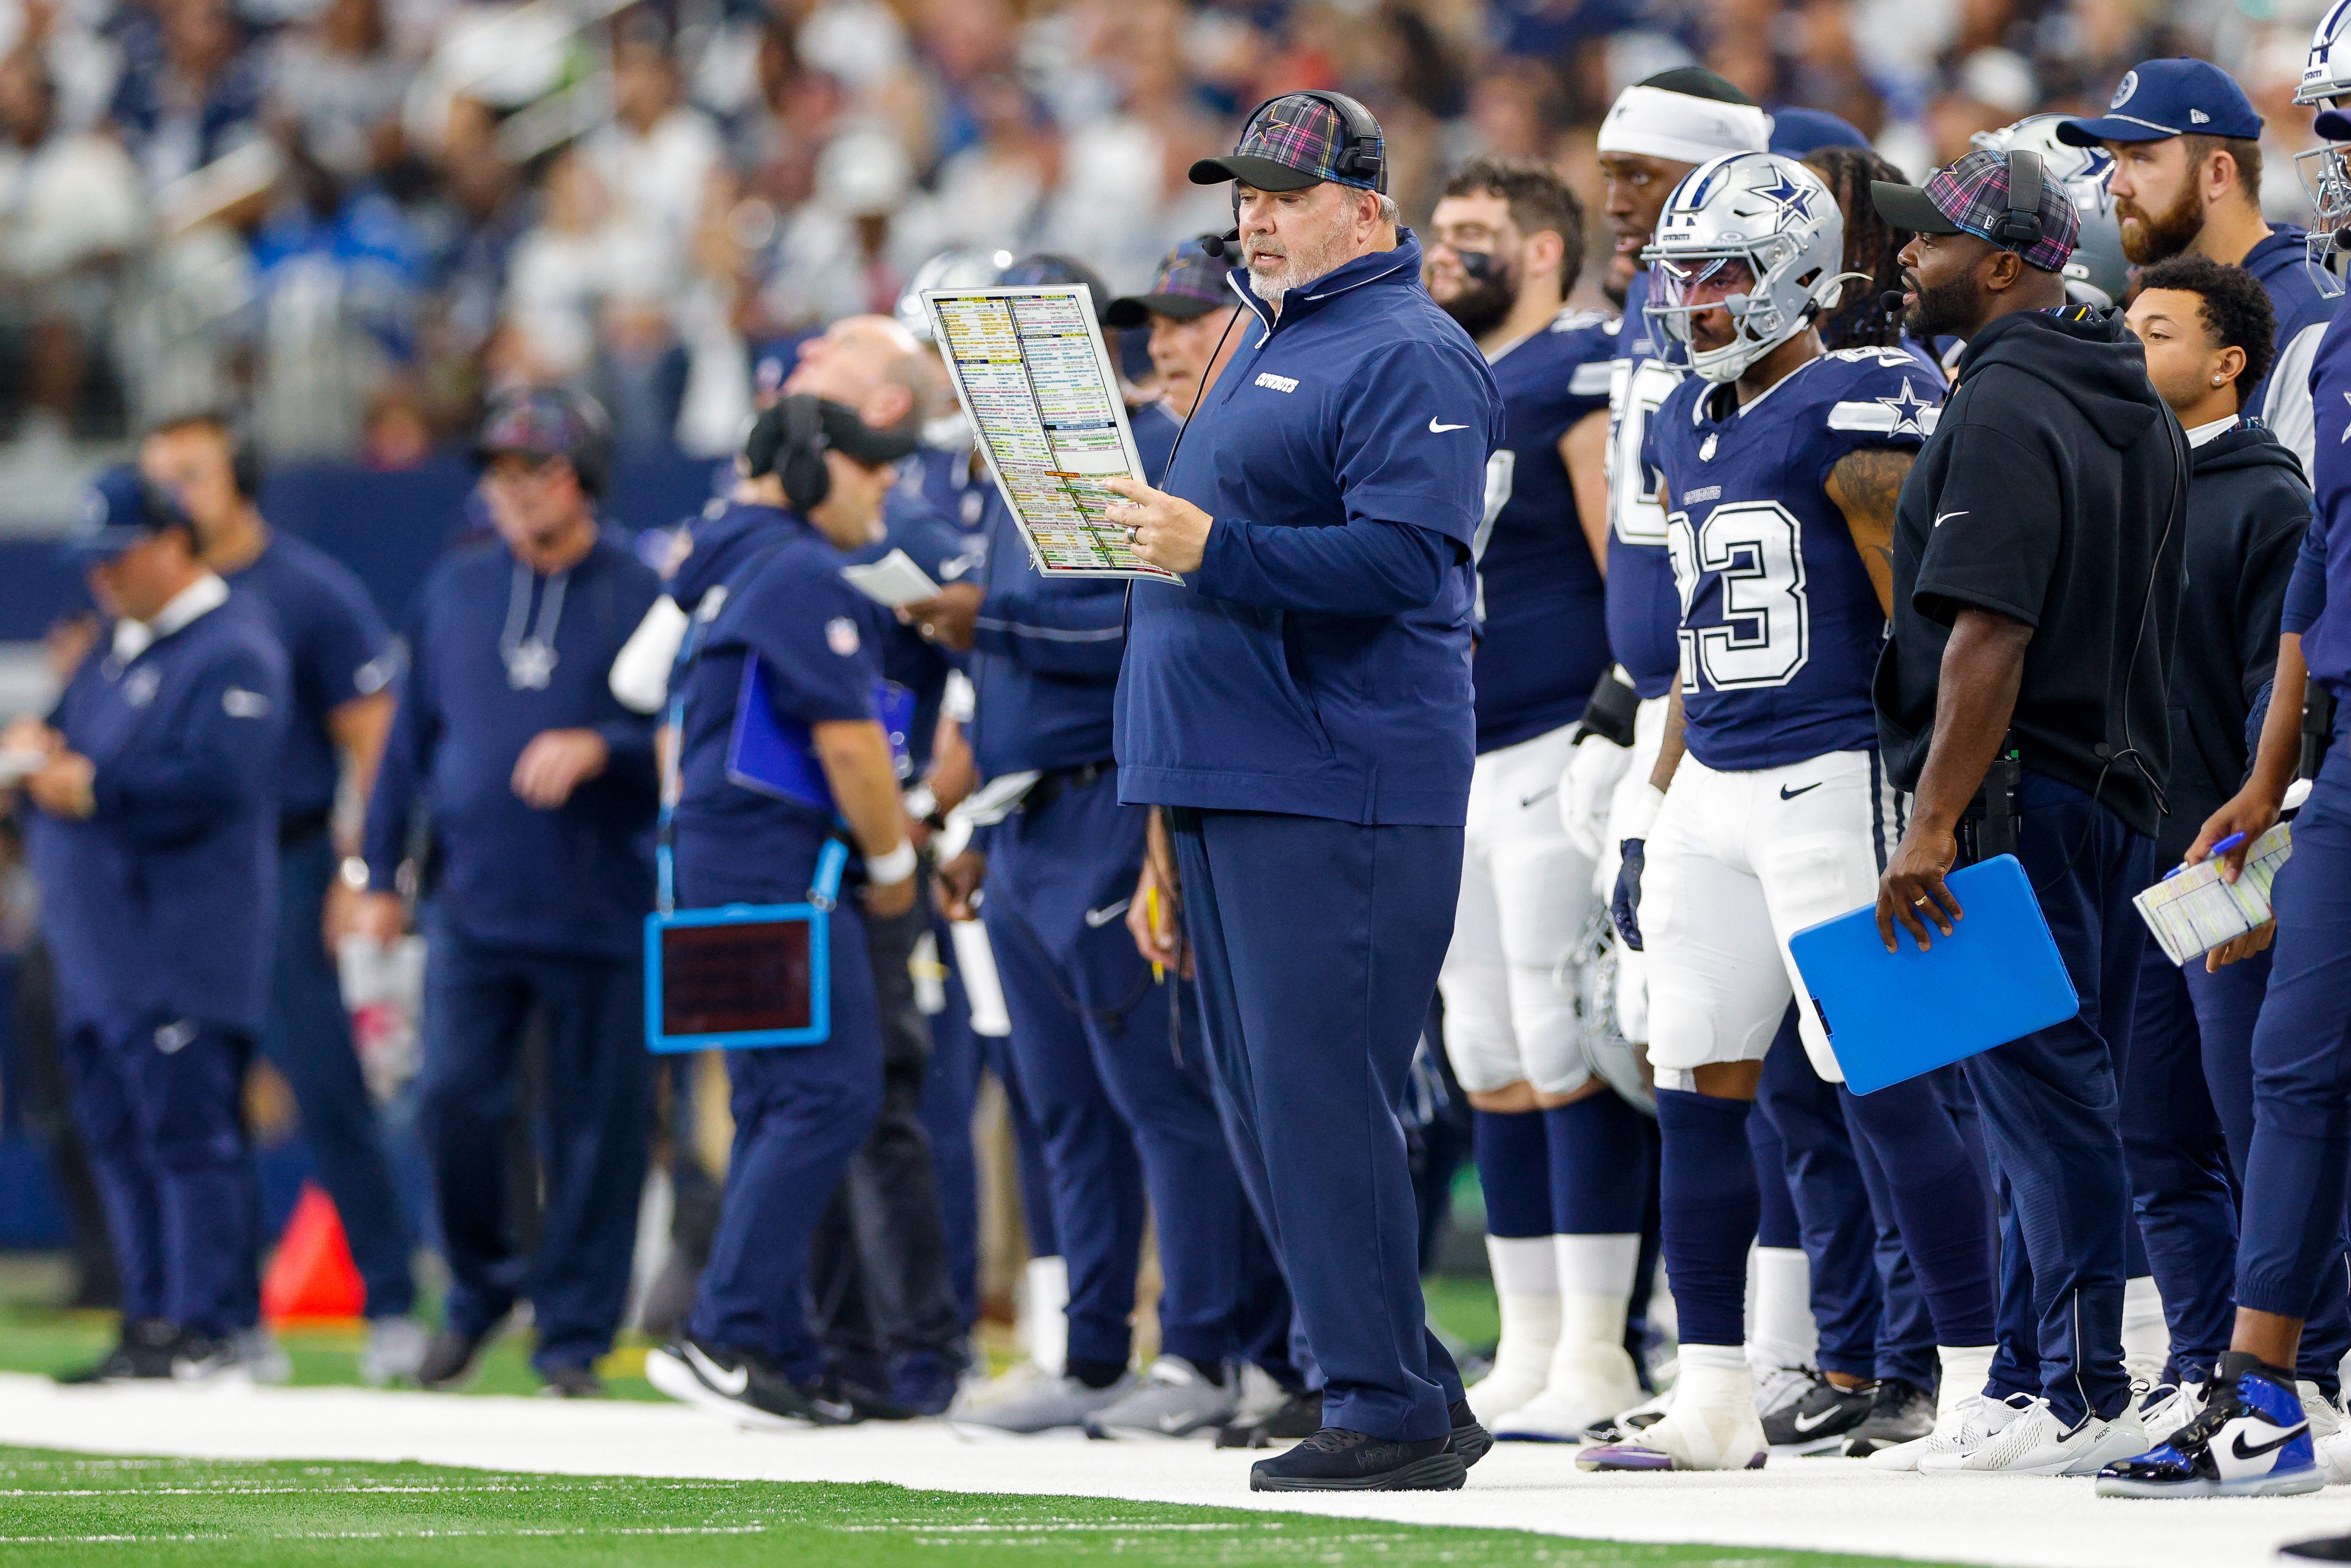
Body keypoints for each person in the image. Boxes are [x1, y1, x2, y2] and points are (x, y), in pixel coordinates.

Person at [1100, 90, 1498, 1492]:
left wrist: (1211, 547)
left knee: (1316, 1097)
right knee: (1263, 1099)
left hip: (1337, 778)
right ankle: (1408, 1380)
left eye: (1284, 191)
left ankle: (1380, 1407)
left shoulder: (1408, 348)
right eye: (1242, 196)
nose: (1255, 216)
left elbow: (1409, 563)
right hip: (1229, 769)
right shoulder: (1274, 346)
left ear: (1370, 209)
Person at [1576, 151, 1994, 1474]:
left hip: (1835, 773)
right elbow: (1706, 638)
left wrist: (1935, 808)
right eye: (1679, 276)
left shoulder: (1864, 397)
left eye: (1719, 276)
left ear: (1799, 276)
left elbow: (1919, 618)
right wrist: (1655, 805)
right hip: (1717, 777)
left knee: (1892, 1072)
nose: (1692, 301)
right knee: (1697, 1077)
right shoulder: (1679, 419)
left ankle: (1983, 1383)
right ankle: (1712, 1396)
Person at [909, 246, 1295, 1442]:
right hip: (1029, 814)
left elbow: (1141, 622)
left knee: (1158, 1095)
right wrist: (980, 803)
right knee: (1062, 1102)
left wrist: (998, 621)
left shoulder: (1133, 450)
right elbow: (1004, 671)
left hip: (1105, 802)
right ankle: (1087, 1352)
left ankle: (1201, 1346)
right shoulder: (1023, 467)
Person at [1870, 148, 2185, 1474]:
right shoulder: (2130, 396)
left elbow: (1990, 632)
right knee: (2038, 1099)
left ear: (1999, 261)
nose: (1902, 258)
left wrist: (1932, 823)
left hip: (2013, 793)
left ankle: (2082, 1387)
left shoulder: (2000, 402)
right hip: (2111, 788)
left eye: (1926, 243)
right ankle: (2018, 1377)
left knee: (2047, 1101)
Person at [353, 389, 661, 1398]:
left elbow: (685, 738)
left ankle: (572, 1333)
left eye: (540, 470)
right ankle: (482, 1290)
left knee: (599, 1128)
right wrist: (377, 868)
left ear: (584, 479)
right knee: (451, 1103)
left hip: (602, 902)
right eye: (506, 471)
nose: (520, 491)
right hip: (473, 902)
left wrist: (603, 747)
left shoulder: (642, 591)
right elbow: (407, 745)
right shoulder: (454, 588)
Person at [1418, 155, 1649, 1442]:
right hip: (1462, 744)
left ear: (1546, 249)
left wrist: (1615, 720)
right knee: (1488, 1049)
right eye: (1440, 229)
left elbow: (1622, 560)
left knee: (1565, 1042)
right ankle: (1538, 1338)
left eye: (1475, 231)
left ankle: (1603, 1345)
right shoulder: (1464, 373)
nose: (1446, 250)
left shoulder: (1579, 366)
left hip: (1554, 737)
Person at [641, 394, 924, 1428]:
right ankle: (729, 1331)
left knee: (773, 1097)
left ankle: (783, 1350)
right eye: (868, 465)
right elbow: (848, 743)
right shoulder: (801, 570)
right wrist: (892, 859)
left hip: (711, 864)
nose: (886, 483)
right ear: (811, 467)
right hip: (773, 868)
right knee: (828, 1095)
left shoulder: (722, 565)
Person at [2085, 255, 2318, 1496]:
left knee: (2256, 1119)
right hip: (2130, 859)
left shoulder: (2267, 494)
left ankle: (2306, 1362)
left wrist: (2265, 863)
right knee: (2155, 1133)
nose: (2133, 344)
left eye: (2160, 329)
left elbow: (2267, 697)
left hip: (2227, 863)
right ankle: (2197, 1363)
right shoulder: (2121, 482)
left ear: (2230, 359)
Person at [137, 410, 424, 1386]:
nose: (168, 494)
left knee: (326, 1086)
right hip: (187, 865)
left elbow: (375, 730)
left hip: (290, 859)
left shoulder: (306, 590)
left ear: (242, 479)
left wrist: (362, 865)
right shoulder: (157, 593)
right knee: (202, 1090)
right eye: (158, 475)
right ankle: (228, 1316)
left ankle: (390, 1302)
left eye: (189, 473)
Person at [14, 468, 288, 1381]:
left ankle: (210, 1324)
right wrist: (39, 758)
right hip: (98, 947)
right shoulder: (114, 649)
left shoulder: (233, 648)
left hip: (181, 941)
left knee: (187, 1137)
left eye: (118, 556)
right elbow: (60, 745)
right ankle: (152, 1320)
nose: (102, 577)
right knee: (120, 1139)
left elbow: (218, 778)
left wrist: (95, 785)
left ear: (174, 544)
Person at [776, 312, 972, 1418]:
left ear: (885, 408)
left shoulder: (920, 506)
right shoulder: (774, 521)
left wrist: (918, 812)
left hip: (874, 844)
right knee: (797, 1097)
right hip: (792, 843)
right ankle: (832, 1348)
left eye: (824, 365)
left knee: (886, 1102)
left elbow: (993, 628)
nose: (798, 373)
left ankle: (916, 1352)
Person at [1575, 68, 1770, 1151]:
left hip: (1732, 713)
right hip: (1658, 698)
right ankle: (1704, 1323)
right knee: (1662, 1034)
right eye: (1607, 173)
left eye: (1638, 176)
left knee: (1745, 1048)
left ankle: (1802, 1323)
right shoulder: (1642, 314)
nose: (1613, 201)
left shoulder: (1766, 342)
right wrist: (1615, 696)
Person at [2058, 57, 2337, 469]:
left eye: (2140, 158)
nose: (2116, 185)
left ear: (2219, 174)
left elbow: (2316, 521)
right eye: (2114, 159)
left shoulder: (2308, 316)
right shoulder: (2152, 305)